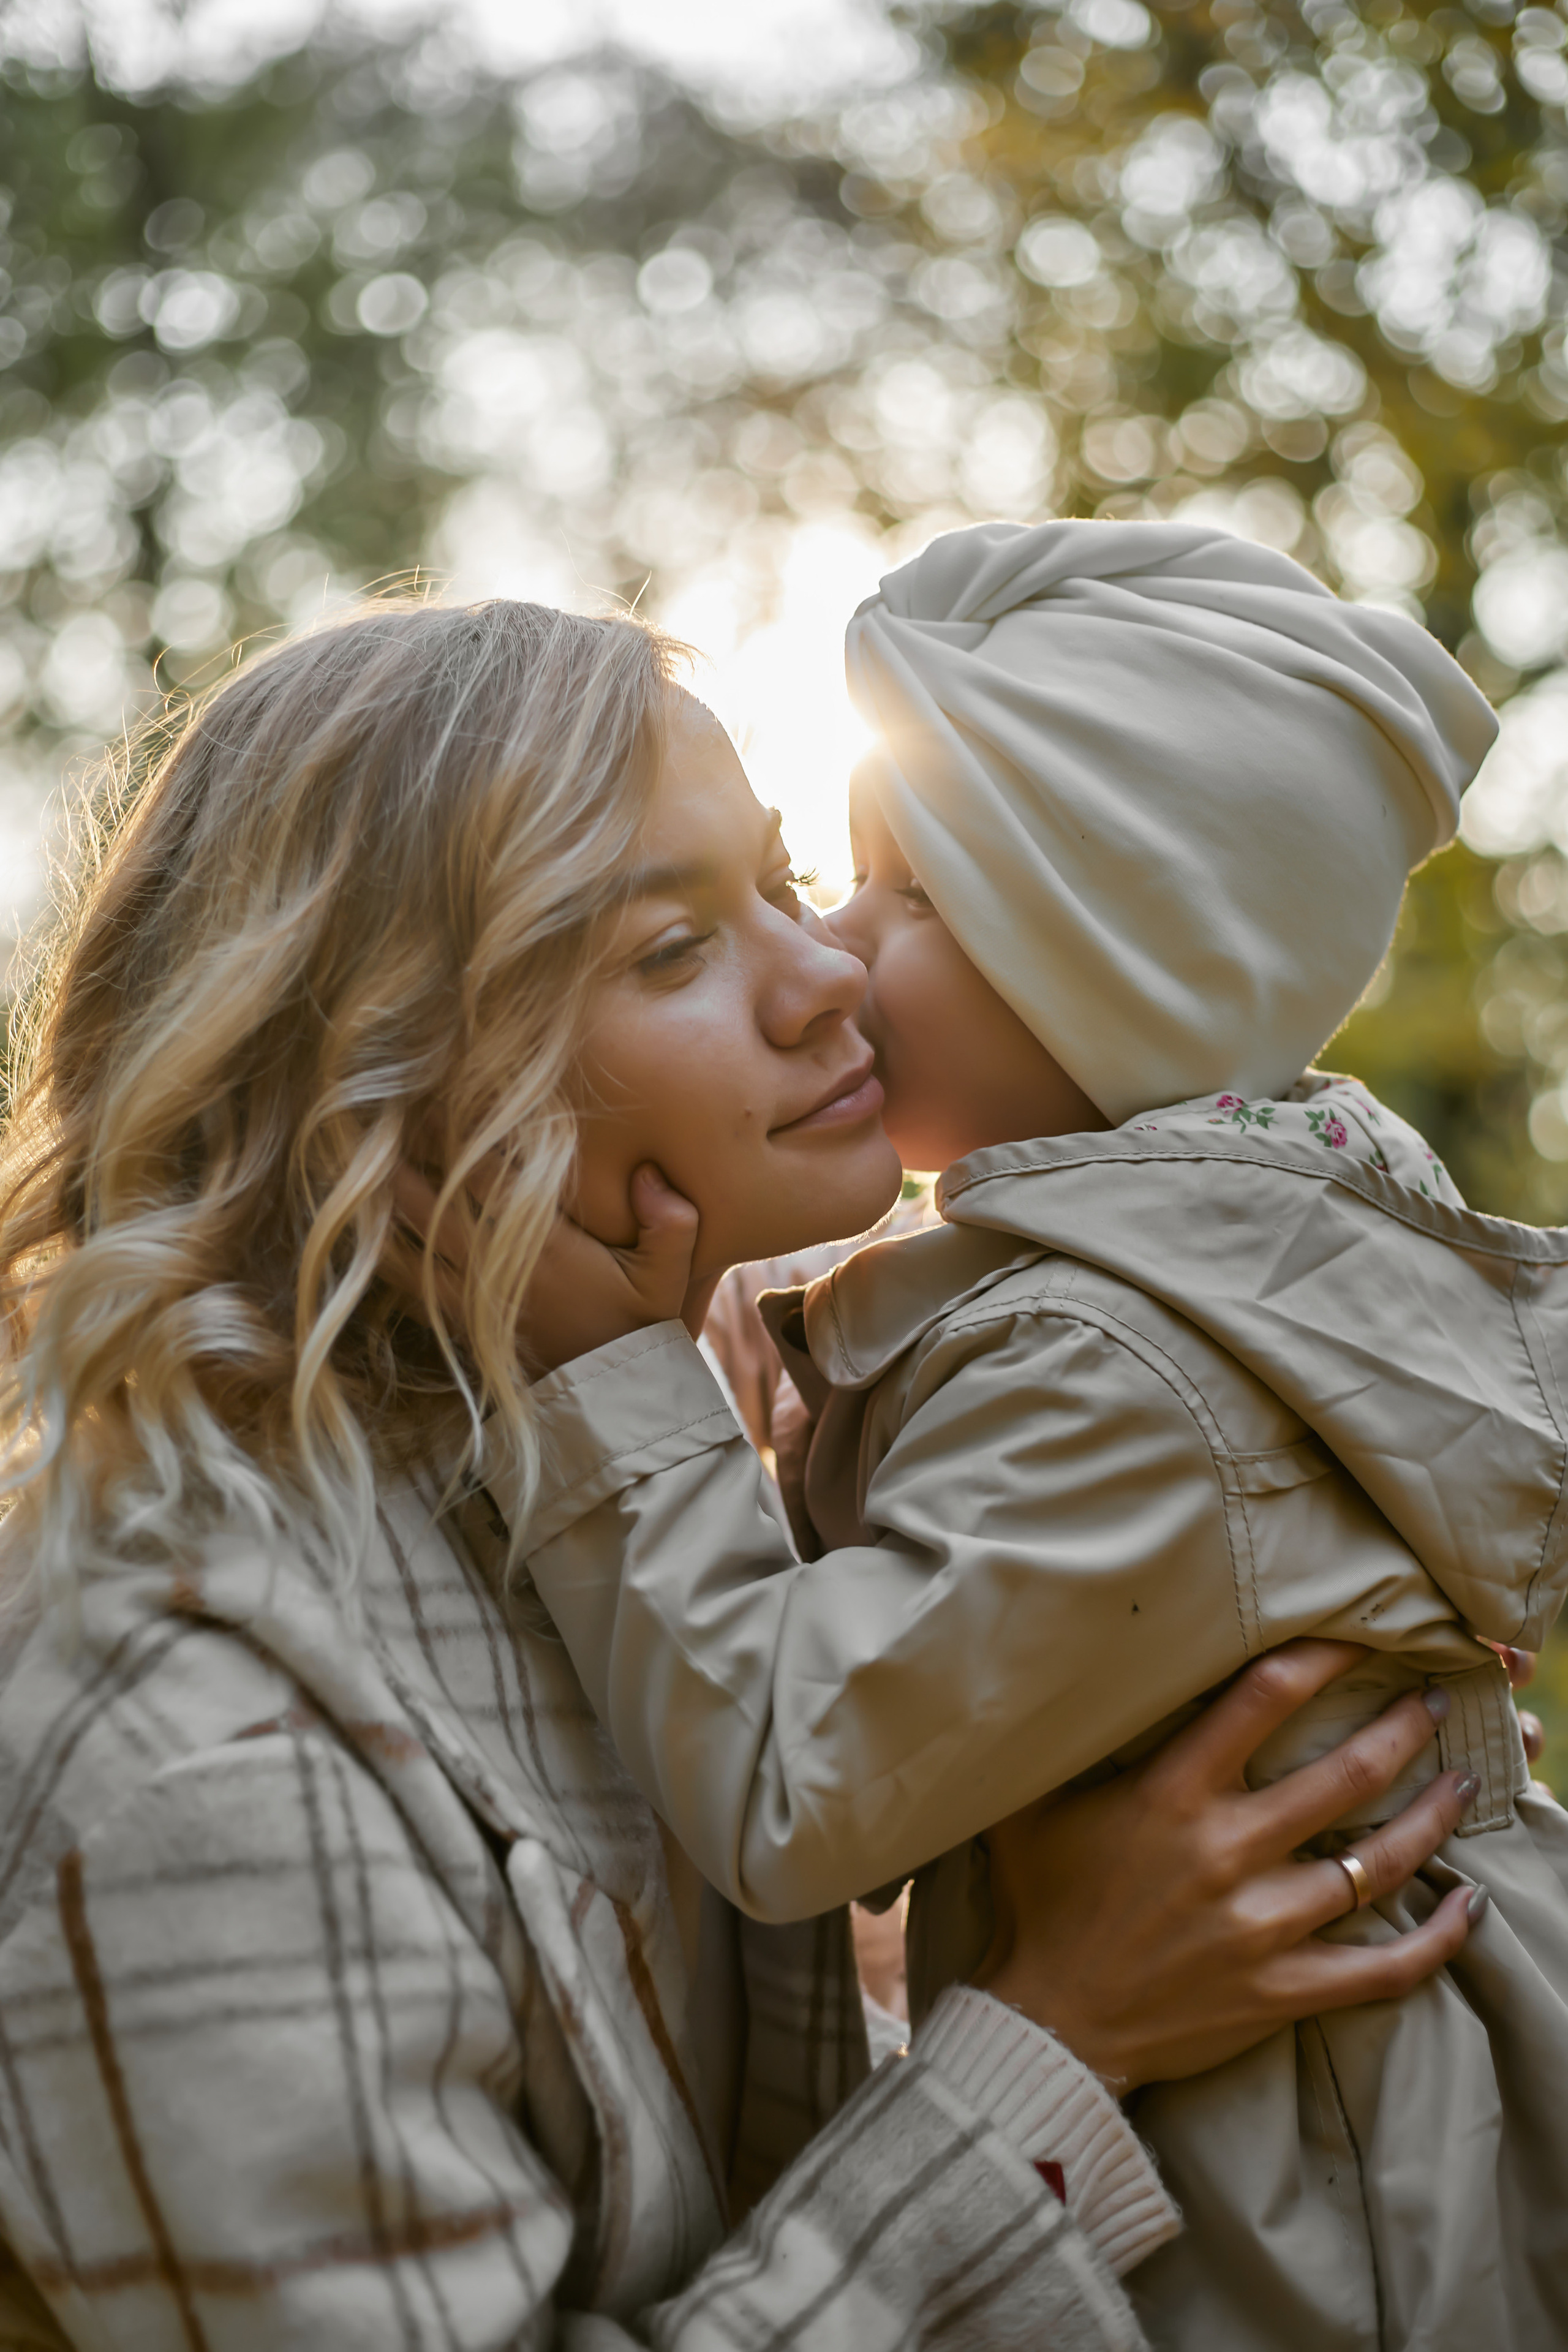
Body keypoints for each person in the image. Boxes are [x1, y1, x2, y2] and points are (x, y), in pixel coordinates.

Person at [0, 595, 1481, 2351]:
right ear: (380, 1085)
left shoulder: (684, 1450)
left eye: (786, 881)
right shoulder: (201, 1747)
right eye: (670, 949)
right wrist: (1064, 2039)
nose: (830, 973)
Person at [502, 526, 1568, 2351]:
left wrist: (605, 1380)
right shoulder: (1184, 1281)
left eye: (909, 891)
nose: (832, 950)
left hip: (1326, 2215)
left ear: (1119, 960)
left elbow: (796, 1792)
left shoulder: (1118, 1367)